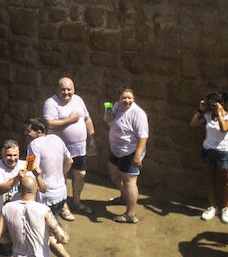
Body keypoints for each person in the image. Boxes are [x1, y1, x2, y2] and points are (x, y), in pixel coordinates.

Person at [43, 78, 95, 215]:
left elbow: (87, 119)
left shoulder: (78, 100)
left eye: (69, 89)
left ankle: (77, 202)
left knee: (80, 174)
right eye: (63, 89)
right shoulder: (51, 103)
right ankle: (63, 205)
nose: (66, 92)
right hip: (60, 148)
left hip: (80, 148)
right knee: (62, 176)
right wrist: (69, 120)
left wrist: (92, 138)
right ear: (57, 89)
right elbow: (50, 123)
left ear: (74, 89)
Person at [104, 87, 149, 224]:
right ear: (119, 98)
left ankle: (130, 213)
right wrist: (108, 110)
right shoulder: (116, 106)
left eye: (130, 98)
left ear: (134, 99)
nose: (127, 101)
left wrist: (137, 156)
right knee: (113, 171)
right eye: (124, 98)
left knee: (130, 182)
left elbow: (143, 136)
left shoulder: (138, 113)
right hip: (117, 150)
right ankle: (124, 196)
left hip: (130, 152)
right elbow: (107, 120)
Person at [191, 92, 228, 223]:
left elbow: (224, 129)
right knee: (209, 180)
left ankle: (226, 208)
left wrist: (220, 113)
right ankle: (212, 206)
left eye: (213, 104)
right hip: (208, 151)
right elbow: (193, 123)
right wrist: (201, 109)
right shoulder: (207, 115)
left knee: (226, 182)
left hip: (223, 153)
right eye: (209, 103)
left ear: (221, 104)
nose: (211, 106)